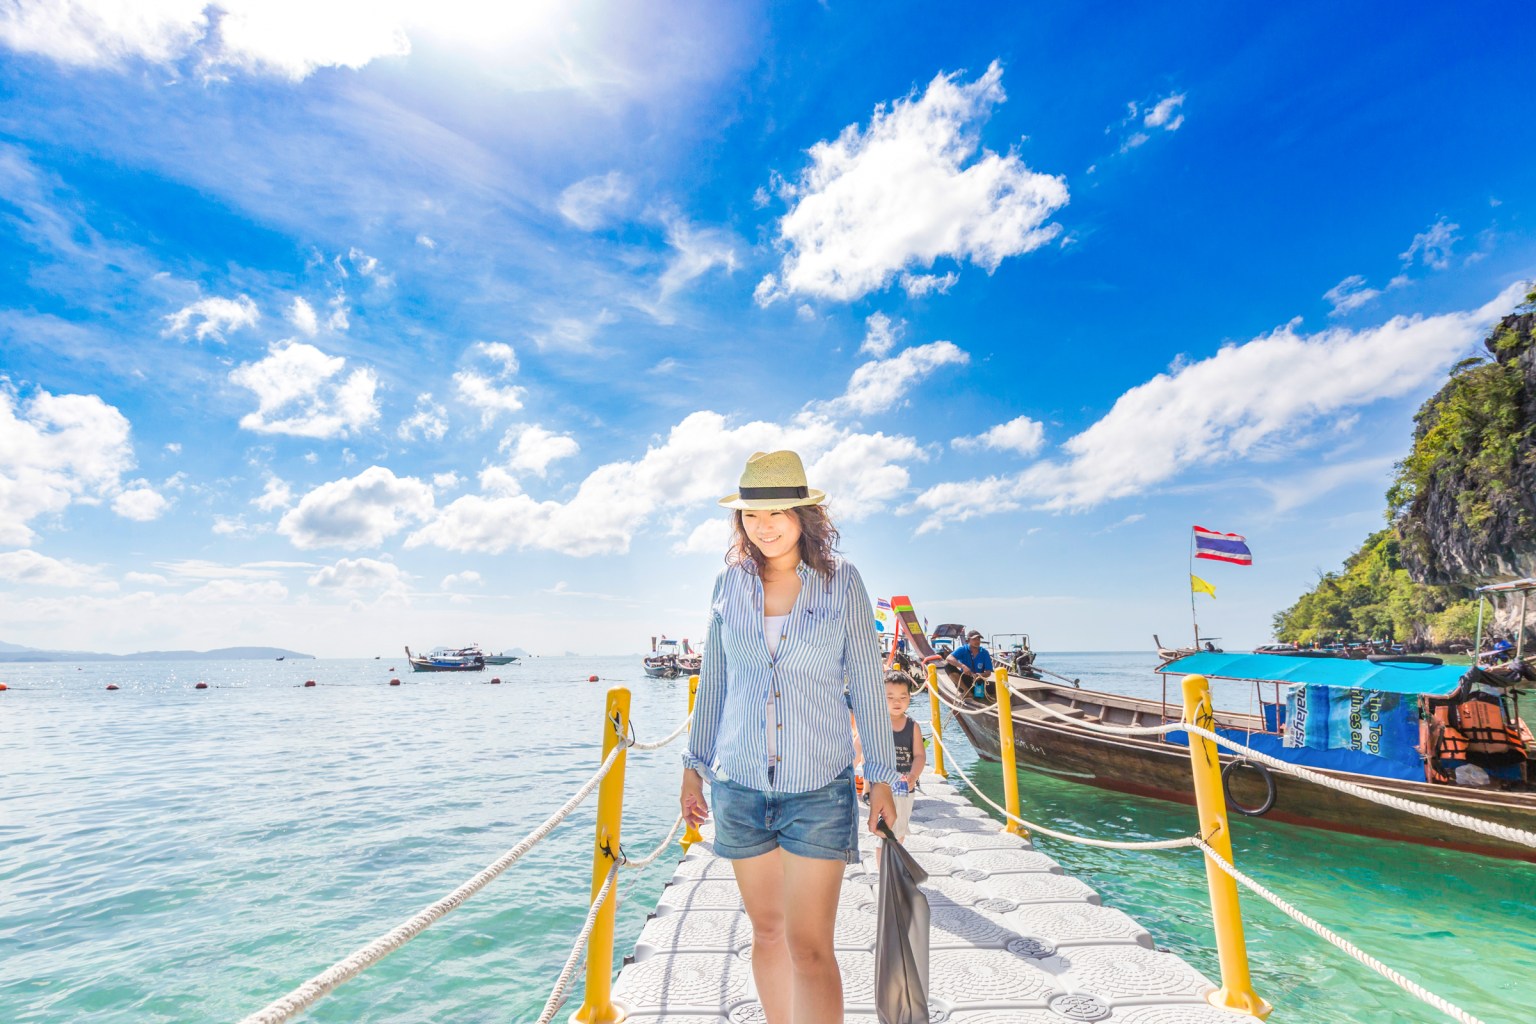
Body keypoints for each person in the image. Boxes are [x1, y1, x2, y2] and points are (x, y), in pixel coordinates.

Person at [680, 450, 899, 1024]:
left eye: (778, 511)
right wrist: (692, 767)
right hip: (740, 789)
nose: (764, 525)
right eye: (751, 515)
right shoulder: (728, 585)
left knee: (810, 947)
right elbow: (717, 684)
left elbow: (868, 688)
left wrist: (880, 780)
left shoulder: (841, 582)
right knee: (768, 932)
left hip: (817, 791)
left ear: (805, 514)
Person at [883, 669, 926, 841]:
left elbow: (920, 756)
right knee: (883, 831)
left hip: (903, 785)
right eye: (890, 697)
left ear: (910, 697)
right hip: (882, 784)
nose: (897, 702)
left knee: (899, 829)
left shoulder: (912, 726)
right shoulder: (877, 724)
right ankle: (884, 867)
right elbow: (858, 747)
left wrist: (914, 775)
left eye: (903, 697)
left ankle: (895, 863)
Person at [947, 629, 994, 699]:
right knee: (948, 666)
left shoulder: (984, 652)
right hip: (964, 681)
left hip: (978, 681)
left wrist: (980, 675)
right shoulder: (963, 649)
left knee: (996, 687)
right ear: (968, 640)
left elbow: (988, 672)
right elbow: (949, 658)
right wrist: (963, 666)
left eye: (978, 639)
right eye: (974, 639)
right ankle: (966, 691)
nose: (977, 641)